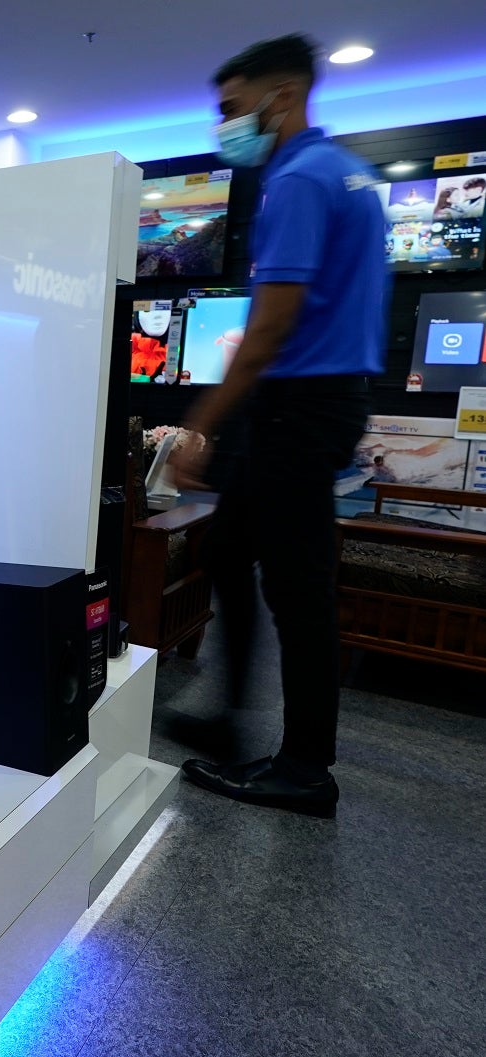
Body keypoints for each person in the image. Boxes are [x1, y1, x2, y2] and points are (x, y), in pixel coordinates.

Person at [168, 34, 389, 819]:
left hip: (300, 403)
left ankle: (303, 767)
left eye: (232, 109)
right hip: (321, 399)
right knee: (229, 547)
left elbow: (269, 329)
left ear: (283, 95)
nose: (225, 126)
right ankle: (226, 716)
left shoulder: (297, 180)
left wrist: (202, 422)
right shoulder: (352, 175)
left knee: (298, 586)